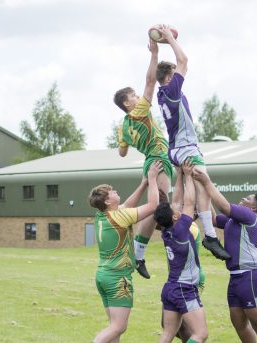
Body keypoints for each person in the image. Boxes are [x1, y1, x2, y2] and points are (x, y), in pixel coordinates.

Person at [155, 24, 230, 261]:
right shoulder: (172, 90)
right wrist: (169, 39)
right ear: (169, 77)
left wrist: (155, 52)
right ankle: (210, 234)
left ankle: (197, 225)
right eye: (175, 72)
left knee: (189, 190)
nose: (179, 74)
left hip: (176, 148)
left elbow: (158, 75)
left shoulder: (160, 93)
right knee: (204, 188)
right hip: (186, 148)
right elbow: (184, 60)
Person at [190, 167, 257, 342]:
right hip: (236, 275)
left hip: (252, 272)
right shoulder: (233, 220)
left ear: (253, 207)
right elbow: (213, 218)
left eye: (247, 198)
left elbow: (223, 206)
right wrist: (201, 188)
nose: (243, 199)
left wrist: (207, 181)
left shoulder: (248, 216)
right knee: (239, 322)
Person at [113, 37, 173, 279]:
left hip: (150, 159)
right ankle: (140, 253)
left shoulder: (123, 127)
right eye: (134, 96)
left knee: (158, 207)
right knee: (159, 208)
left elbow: (122, 152)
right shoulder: (137, 112)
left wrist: (131, 139)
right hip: (158, 158)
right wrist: (155, 54)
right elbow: (150, 81)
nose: (139, 97)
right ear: (128, 103)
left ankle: (141, 250)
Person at [89, 162, 162, 343]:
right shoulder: (120, 217)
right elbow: (153, 205)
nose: (115, 192)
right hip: (118, 279)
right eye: (111, 192)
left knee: (115, 329)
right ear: (107, 201)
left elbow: (128, 204)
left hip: (103, 276)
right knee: (119, 326)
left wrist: (144, 183)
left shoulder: (102, 216)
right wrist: (152, 179)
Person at [154, 160, 208, 343]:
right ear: (176, 216)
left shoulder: (167, 230)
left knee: (168, 334)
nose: (176, 204)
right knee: (200, 334)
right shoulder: (181, 230)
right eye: (175, 208)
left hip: (170, 288)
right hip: (184, 289)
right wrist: (189, 177)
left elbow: (177, 200)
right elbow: (189, 202)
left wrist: (180, 175)